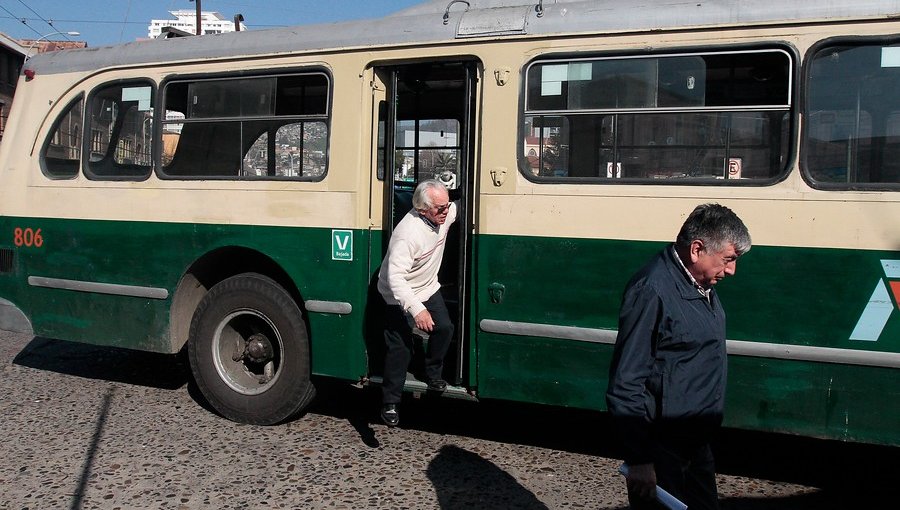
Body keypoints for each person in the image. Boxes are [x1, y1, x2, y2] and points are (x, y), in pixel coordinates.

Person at [606, 203, 751, 510]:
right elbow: (626, 383)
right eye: (728, 260)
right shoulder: (652, 290)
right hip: (662, 451)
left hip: (695, 446)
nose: (731, 270)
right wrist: (640, 460)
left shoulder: (699, 282)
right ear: (697, 249)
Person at [378, 179, 458, 427]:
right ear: (423, 210)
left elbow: (459, 204)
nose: (446, 211)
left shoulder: (445, 212)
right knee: (400, 348)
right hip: (396, 294)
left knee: (445, 328)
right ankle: (390, 402)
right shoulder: (407, 234)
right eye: (440, 209)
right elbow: (395, 279)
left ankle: (431, 373)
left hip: (427, 287)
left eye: (447, 205)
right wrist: (417, 310)